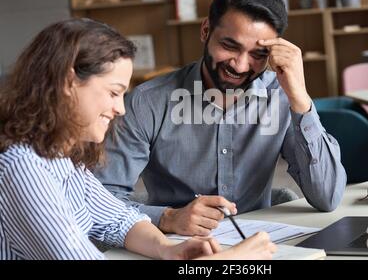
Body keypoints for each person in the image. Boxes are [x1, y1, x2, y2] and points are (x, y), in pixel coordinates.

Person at [0, 18, 276, 260]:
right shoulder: (23, 167)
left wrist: (168, 250)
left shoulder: (61, 157)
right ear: (69, 83)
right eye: (113, 92)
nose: (121, 108)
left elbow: (117, 220)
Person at [96, 0, 347, 236]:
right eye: (230, 46)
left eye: (258, 55)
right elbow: (100, 202)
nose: (240, 66)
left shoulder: (281, 96)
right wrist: (168, 218)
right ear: (206, 30)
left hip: (259, 247)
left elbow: (327, 196)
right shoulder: (147, 102)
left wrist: (300, 99)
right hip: (174, 245)